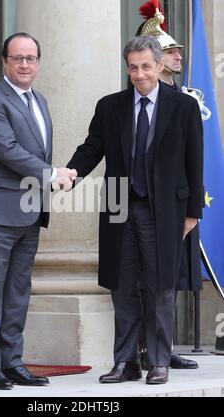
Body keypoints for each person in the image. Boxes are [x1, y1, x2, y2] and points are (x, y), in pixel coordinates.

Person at [66, 35, 204, 384]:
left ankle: (158, 360)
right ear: (127, 69)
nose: (139, 74)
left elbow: (194, 162)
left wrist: (192, 214)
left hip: (165, 211)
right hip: (119, 206)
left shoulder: (184, 107)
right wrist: (68, 174)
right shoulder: (110, 106)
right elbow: (91, 148)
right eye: (133, 67)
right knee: (122, 286)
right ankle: (125, 362)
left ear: (160, 65)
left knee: (160, 287)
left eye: (146, 66)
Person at [0, 32, 75, 390]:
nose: (25, 64)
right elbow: (8, 150)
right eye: (18, 58)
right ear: (4, 62)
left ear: (39, 63)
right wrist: (53, 175)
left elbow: (36, 151)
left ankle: (12, 362)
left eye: (31, 58)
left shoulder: (39, 100)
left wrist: (55, 175)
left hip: (30, 211)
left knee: (17, 292)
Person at [135, 1, 202, 370]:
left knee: (170, 278)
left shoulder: (181, 99)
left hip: (176, 204)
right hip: (143, 205)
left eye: (175, 51)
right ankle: (147, 348)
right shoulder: (134, 98)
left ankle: (164, 345)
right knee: (147, 280)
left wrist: (193, 208)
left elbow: (194, 159)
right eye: (171, 51)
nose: (178, 57)